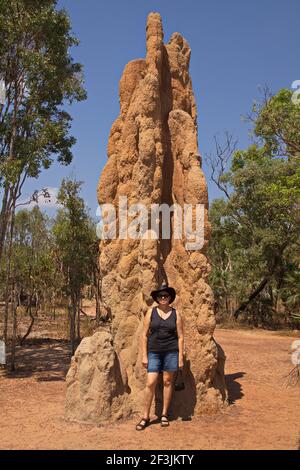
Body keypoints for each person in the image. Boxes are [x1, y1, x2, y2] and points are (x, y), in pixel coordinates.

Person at [135, 283, 184, 430]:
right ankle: (145, 416)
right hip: (154, 352)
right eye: (160, 296)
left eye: (166, 296)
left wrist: (180, 357)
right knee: (150, 383)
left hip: (171, 351)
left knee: (167, 381)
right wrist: (144, 355)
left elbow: (181, 337)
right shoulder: (151, 312)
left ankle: (164, 414)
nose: (163, 298)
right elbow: (144, 335)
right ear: (157, 298)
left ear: (170, 298)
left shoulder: (176, 314)